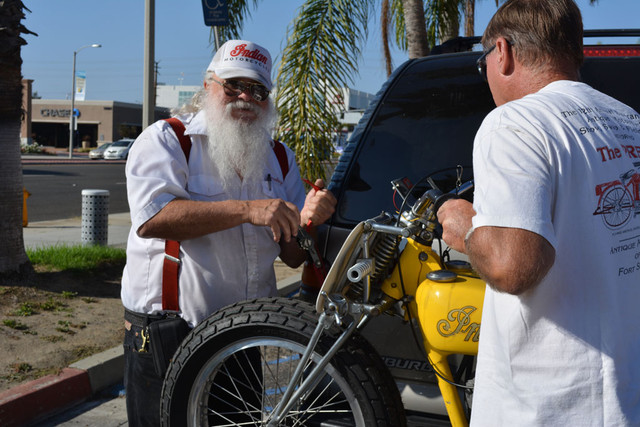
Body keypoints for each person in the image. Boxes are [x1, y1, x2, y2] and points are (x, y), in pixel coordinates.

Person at [437, 0, 640, 425]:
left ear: (503, 51)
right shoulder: (629, 122)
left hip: (546, 409)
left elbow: (514, 266)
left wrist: (464, 226)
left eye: (484, 62)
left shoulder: (514, 123)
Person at [120, 39, 336, 426]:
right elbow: (154, 218)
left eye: (257, 89)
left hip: (243, 334)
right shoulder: (169, 140)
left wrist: (309, 219)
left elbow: (293, 255)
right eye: (233, 85)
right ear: (208, 86)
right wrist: (249, 210)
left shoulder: (279, 156)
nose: (245, 97)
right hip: (173, 330)